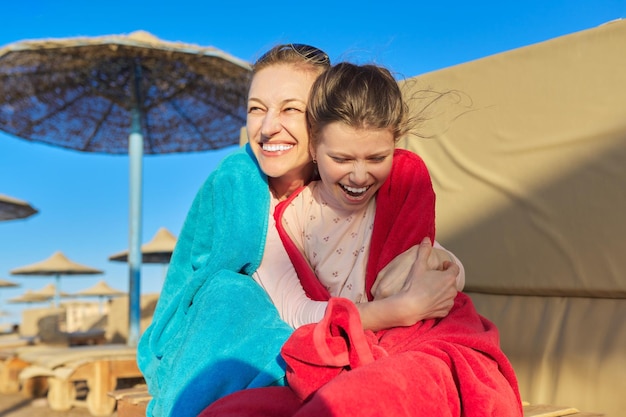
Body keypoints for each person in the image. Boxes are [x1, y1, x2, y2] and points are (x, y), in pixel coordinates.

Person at [138, 45, 462, 417]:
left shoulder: (345, 183)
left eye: (290, 109)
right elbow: (278, 308)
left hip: (331, 324)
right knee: (232, 293)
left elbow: (412, 243)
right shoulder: (247, 189)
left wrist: (439, 264)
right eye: (256, 109)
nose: (267, 126)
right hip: (236, 334)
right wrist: (395, 310)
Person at [200, 62, 522, 416]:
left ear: (394, 145)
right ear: (314, 148)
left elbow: (438, 262)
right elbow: (294, 311)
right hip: (340, 356)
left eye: (377, 158)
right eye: (340, 158)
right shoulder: (289, 220)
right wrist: (400, 309)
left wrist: (441, 269)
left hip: (422, 349)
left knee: (354, 402)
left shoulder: (398, 190)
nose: (359, 175)